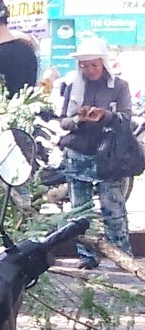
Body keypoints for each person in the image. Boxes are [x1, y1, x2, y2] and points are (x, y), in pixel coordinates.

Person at [56, 37, 133, 269]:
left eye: (94, 65)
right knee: (80, 209)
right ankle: (86, 255)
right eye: (84, 65)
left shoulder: (119, 87)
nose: (89, 70)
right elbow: (64, 121)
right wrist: (79, 118)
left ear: (103, 64)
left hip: (109, 156)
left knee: (114, 207)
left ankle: (121, 253)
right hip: (78, 154)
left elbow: (127, 117)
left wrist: (105, 115)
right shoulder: (73, 87)